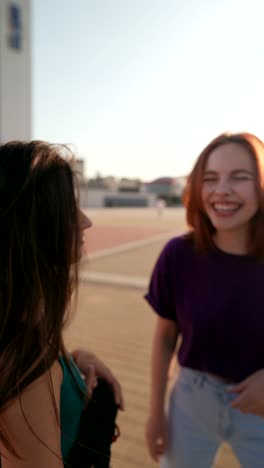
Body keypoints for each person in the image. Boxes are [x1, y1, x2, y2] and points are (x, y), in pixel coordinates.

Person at [0, 141, 124, 467]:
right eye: (68, 207)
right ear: (28, 224)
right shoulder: (26, 370)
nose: (85, 222)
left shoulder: (19, 319)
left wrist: (75, 361)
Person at [145, 132, 264, 467]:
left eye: (239, 177)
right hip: (191, 401)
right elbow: (165, 336)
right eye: (210, 179)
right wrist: (156, 413)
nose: (221, 189)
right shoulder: (178, 255)